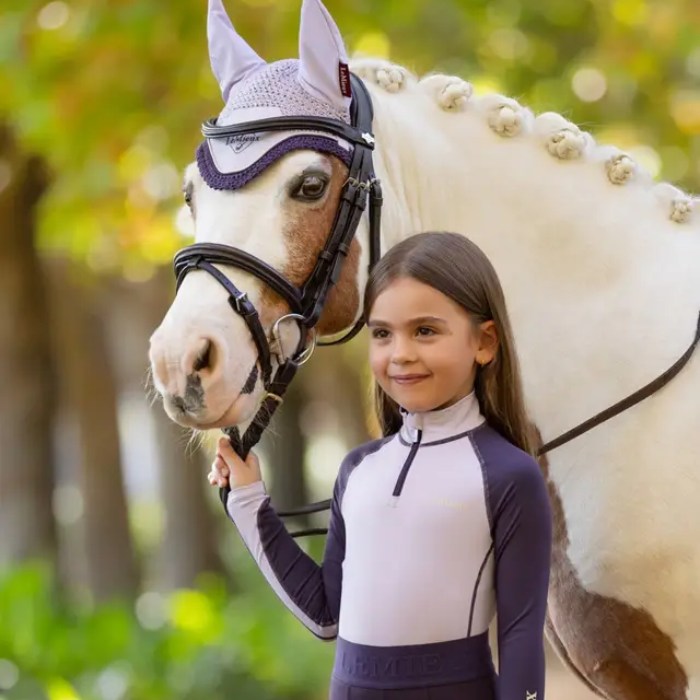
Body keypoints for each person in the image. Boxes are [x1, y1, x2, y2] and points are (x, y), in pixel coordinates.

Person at [208, 231, 553, 700]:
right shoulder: (358, 470)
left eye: (425, 331)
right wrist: (248, 500)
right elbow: (326, 615)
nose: (401, 353)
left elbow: (520, 639)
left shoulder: (509, 475)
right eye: (382, 334)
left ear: (484, 342)